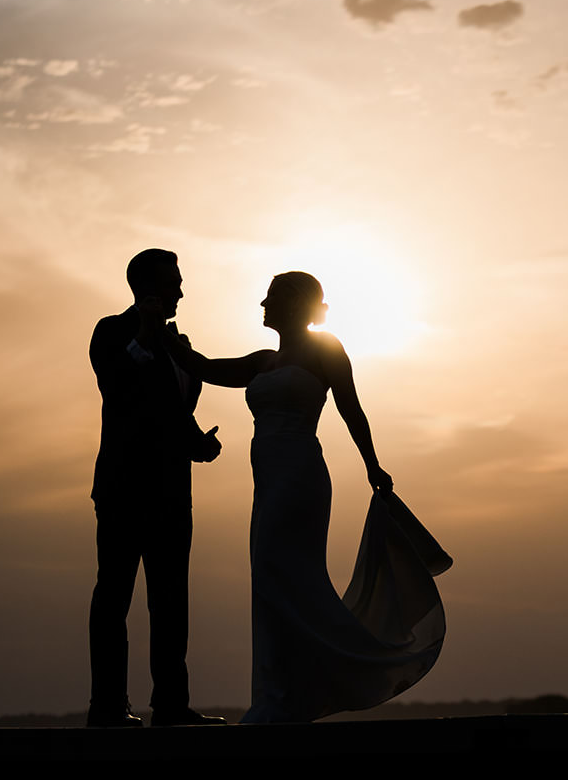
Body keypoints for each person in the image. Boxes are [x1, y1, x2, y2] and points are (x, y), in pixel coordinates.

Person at [164, 271, 450, 723]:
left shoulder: (326, 350)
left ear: (295, 303)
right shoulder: (261, 362)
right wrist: (170, 343)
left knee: (287, 574)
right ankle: (281, 693)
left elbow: (351, 408)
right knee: (271, 579)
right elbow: (206, 368)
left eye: (272, 297)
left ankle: (304, 686)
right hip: (268, 483)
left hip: (301, 480)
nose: (262, 304)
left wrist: (372, 464)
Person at [86, 248, 226, 728]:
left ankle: (171, 706)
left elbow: (171, 412)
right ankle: (107, 707)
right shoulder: (109, 333)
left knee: (170, 601)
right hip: (124, 488)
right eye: (172, 284)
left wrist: (197, 445)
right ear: (145, 288)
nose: (181, 292)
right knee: (114, 597)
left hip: (171, 492)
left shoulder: (179, 345)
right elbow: (121, 385)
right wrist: (145, 332)